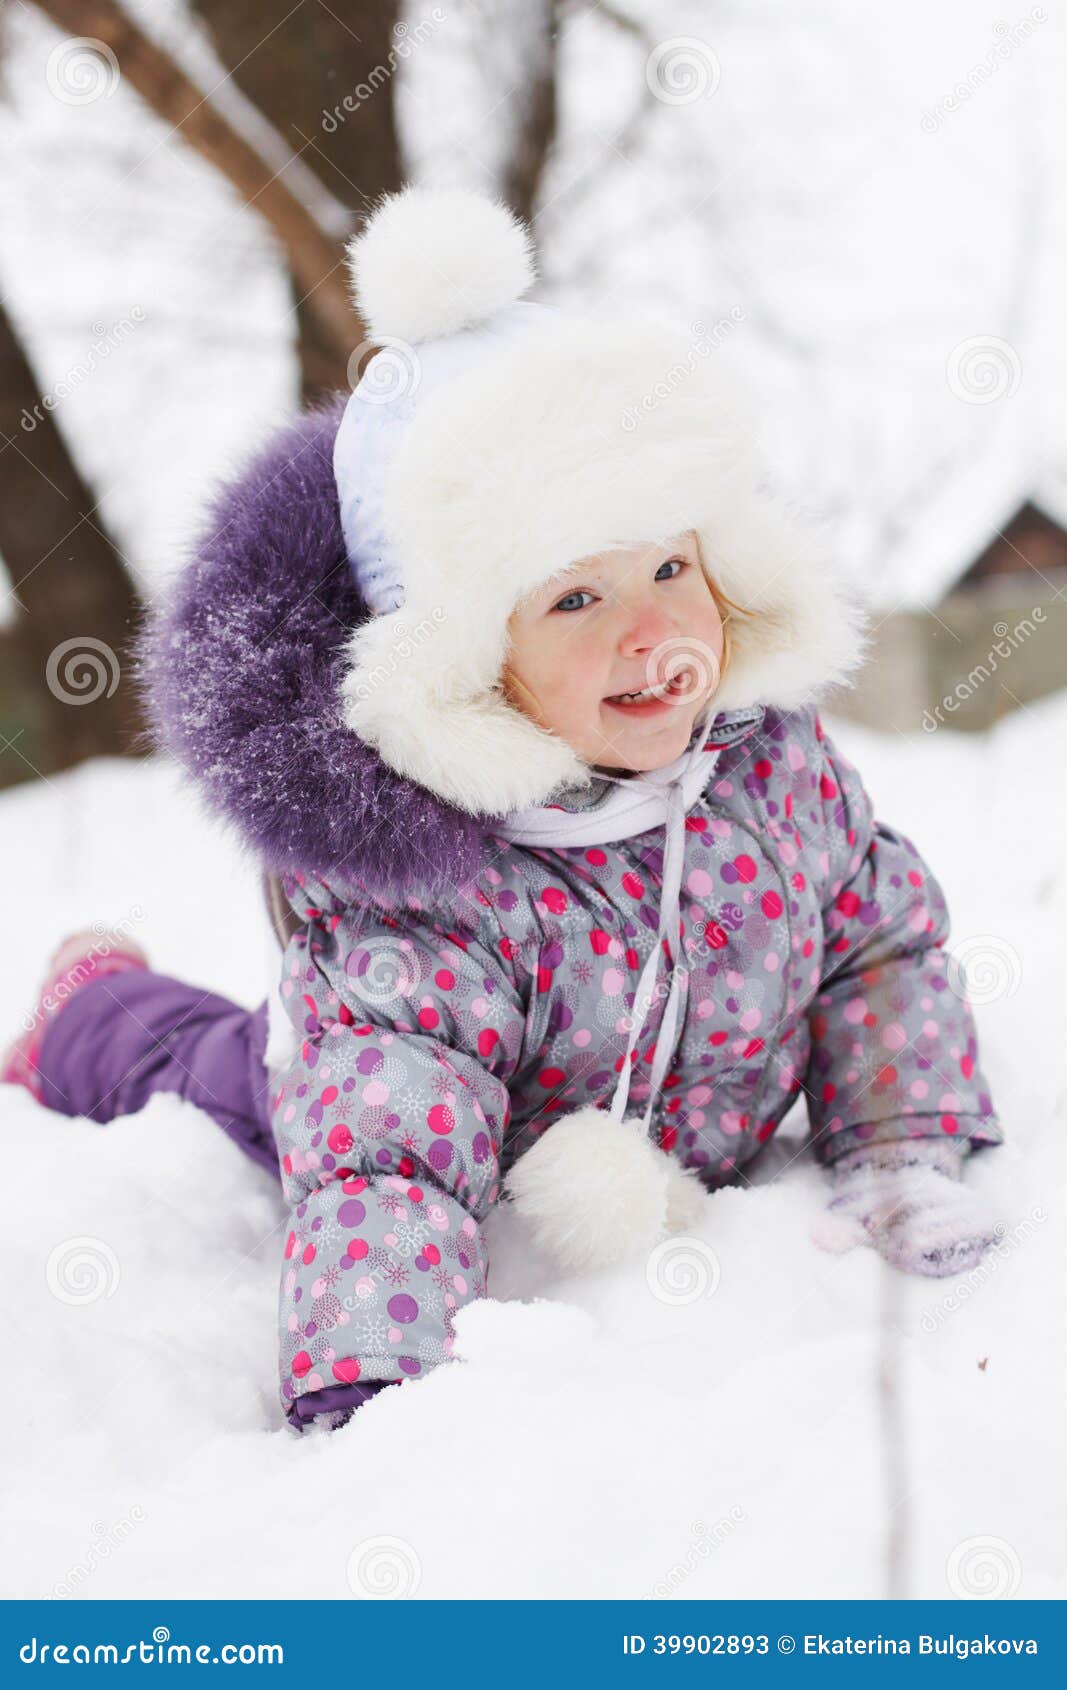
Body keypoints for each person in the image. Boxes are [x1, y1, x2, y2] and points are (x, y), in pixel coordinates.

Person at [2, 187, 1005, 1435]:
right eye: (573, 603)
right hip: (353, 1084)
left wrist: (897, 1148)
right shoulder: (427, 888)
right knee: (207, 1065)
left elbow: (879, 948)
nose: (651, 631)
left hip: (666, 1113)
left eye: (669, 568)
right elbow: (387, 1155)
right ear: (468, 658)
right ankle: (90, 1008)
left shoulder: (766, 772)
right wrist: (384, 1390)